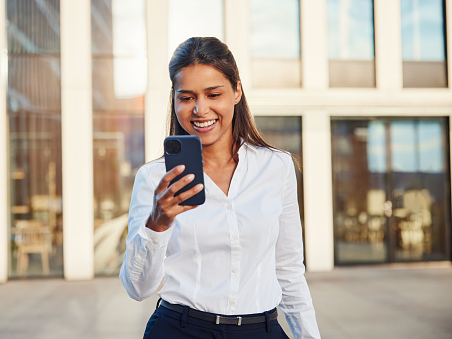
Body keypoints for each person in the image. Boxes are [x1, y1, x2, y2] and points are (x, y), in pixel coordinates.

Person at [120, 37, 321, 339]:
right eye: (186, 97)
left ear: (237, 91)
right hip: (178, 329)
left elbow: (289, 270)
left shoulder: (276, 167)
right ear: (174, 100)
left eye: (213, 94)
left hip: (260, 330)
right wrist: (158, 223)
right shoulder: (153, 178)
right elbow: (138, 289)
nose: (201, 109)